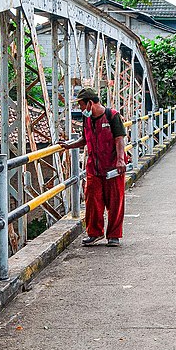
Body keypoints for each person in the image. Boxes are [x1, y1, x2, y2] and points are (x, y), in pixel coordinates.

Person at [58, 87, 127, 246]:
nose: (81, 109)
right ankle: (94, 233)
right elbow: (85, 139)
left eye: (82, 105)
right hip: (93, 167)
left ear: (90, 103)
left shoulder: (112, 116)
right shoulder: (87, 119)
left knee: (115, 202)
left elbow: (119, 139)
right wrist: (70, 146)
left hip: (113, 167)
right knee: (92, 201)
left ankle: (114, 235)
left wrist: (120, 159)